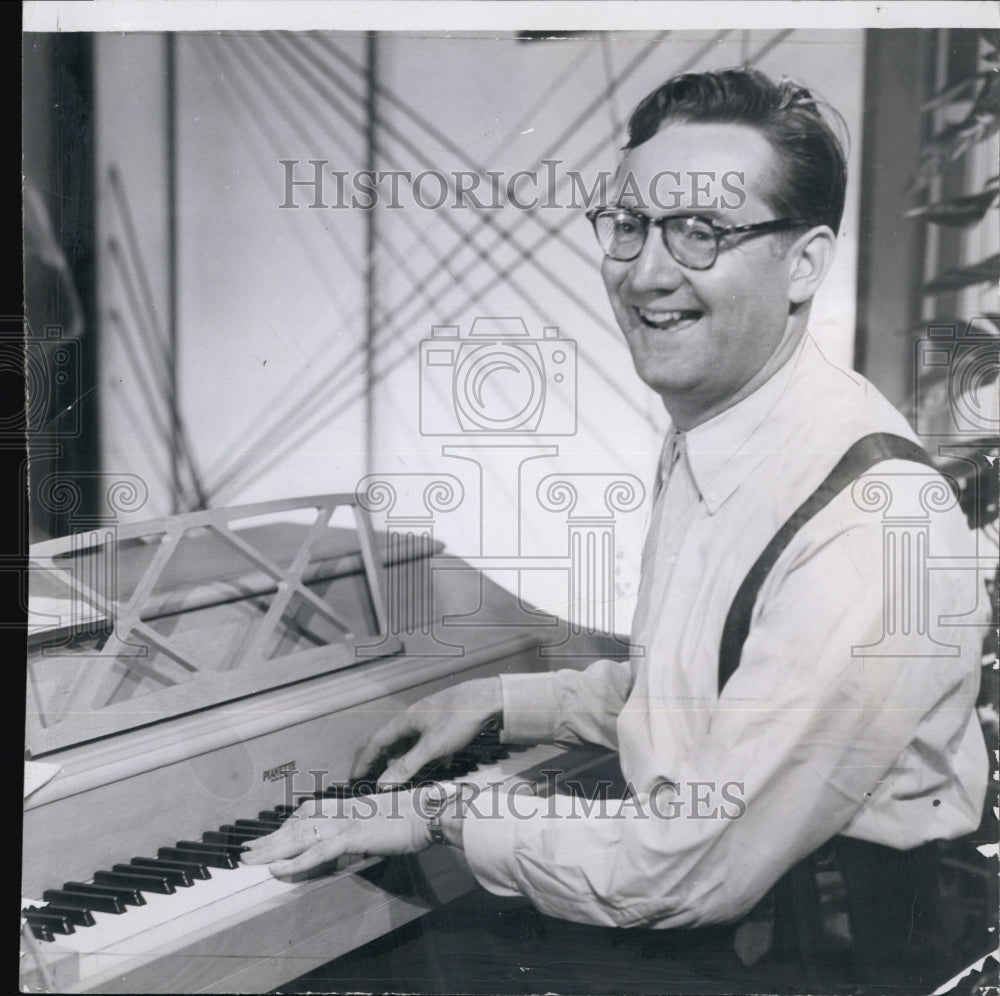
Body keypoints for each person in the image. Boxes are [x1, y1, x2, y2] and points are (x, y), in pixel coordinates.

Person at [242, 67, 990, 992]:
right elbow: (708, 687)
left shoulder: (874, 527)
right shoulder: (726, 428)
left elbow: (689, 870)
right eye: (630, 225)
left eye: (701, 232)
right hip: (744, 922)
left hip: (831, 962)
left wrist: (440, 815)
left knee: (390, 957)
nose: (644, 273)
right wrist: (509, 704)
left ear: (804, 263)